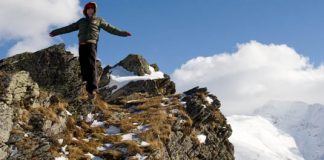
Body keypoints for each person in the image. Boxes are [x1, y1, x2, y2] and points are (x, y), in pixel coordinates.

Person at [49, 2, 131, 98]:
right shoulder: (81, 21)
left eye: (92, 8)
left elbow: (110, 28)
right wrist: (55, 32)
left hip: (91, 43)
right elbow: (69, 28)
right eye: (88, 8)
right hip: (81, 44)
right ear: (85, 11)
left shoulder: (99, 20)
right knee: (83, 64)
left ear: (94, 10)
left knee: (91, 64)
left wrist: (123, 33)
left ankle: (92, 89)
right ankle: (85, 85)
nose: (90, 10)